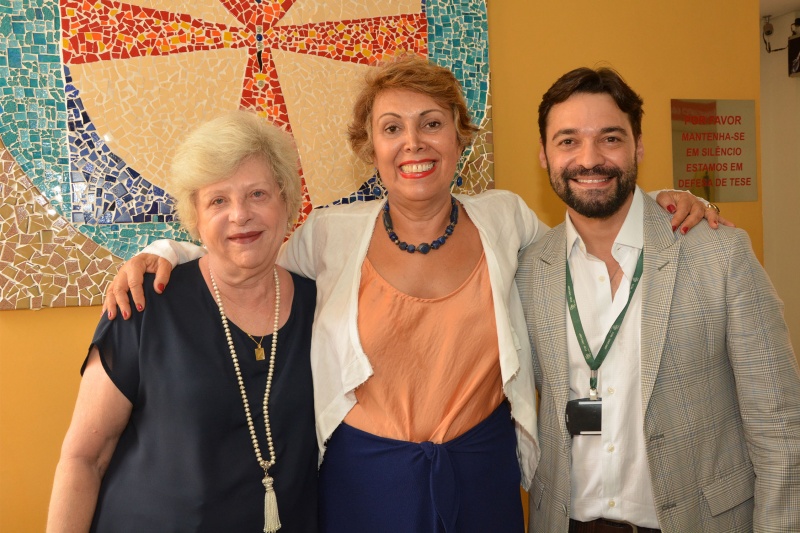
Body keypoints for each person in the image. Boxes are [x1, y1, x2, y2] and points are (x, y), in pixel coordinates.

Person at [103, 56, 719, 532]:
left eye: (432, 124)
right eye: (391, 128)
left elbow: (590, 232)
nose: (414, 143)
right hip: (361, 480)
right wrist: (168, 253)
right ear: (370, 146)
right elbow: (244, 261)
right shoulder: (330, 236)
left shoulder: (506, 220)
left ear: (459, 137)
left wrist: (668, 203)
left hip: (484, 474)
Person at [517, 66, 800, 533]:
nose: (590, 159)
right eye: (567, 141)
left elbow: (781, 427)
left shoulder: (719, 254)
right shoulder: (527, 270)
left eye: (610, 138)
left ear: (638, 147)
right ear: (544, 156)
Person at [47, 111, 318, 532]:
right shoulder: (143, 303)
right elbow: (84, 458)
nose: (240, 215)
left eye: (258, 194)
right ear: (194, 216)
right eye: (218, 200)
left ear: (287, 199)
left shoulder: (323, 307)